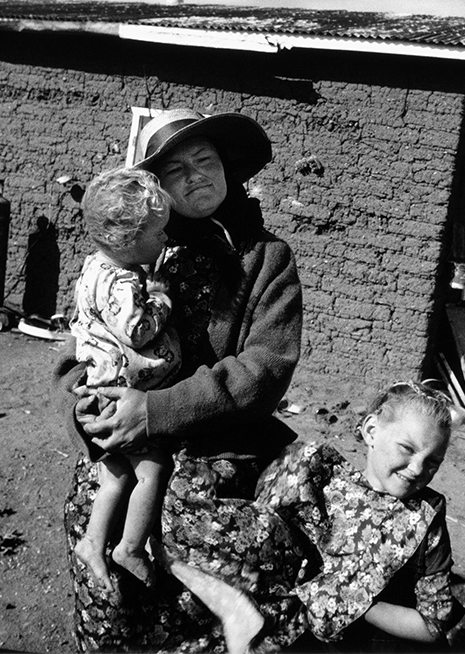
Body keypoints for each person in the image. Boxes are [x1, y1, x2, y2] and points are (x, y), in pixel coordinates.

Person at [54, 108, 304, 652]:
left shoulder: (267, 260)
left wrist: (157, 409)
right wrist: (82, 406)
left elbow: (264, 367)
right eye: (176, 169)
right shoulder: (134, 248)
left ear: (229, 169)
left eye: (206, 160)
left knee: (211, 556)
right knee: (96, 530)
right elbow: (81, 345)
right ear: (157, 188)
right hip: (126, 438)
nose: (195, 176)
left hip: (219, 446)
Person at [255, 381, 462, 651]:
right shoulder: (319, 488)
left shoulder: (425, 516)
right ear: (371, 431)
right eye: (407, 448)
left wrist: (352, 600)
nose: (417, 469)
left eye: (433, 461)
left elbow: (433, 625)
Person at [69, 167, 179, 594]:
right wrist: (162, 298)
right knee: (151, 469)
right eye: (158, 233)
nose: (165, 239)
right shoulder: (120, 283)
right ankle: (129, 548)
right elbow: (137, 332)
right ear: (127, 240)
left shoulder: (95, 267)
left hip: (100, 387)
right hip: (119, 393)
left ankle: (93, 542)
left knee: (116, 476)